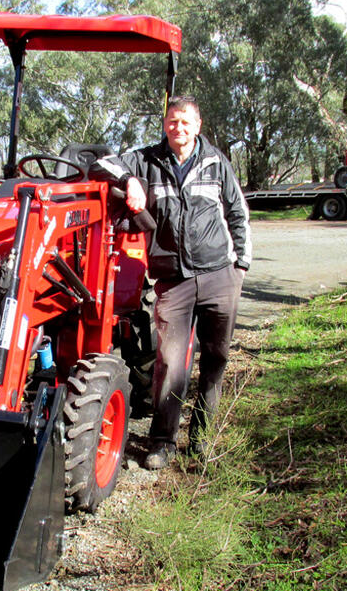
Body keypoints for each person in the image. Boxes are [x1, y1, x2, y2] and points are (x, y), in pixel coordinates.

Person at [89, 95, 252, 469]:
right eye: (172, 121)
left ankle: (202, 439)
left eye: (185, 121)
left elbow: (238, 213)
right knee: (170, 363)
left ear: (198, 125)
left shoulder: (216, 162)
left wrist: (240, 265)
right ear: (165, 124)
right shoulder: (146, 160)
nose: (178, 127)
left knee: (216, 359)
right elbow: (100, 164)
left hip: (219, 275)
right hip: (173, 281)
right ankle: (162, 443)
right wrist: (129, 179)